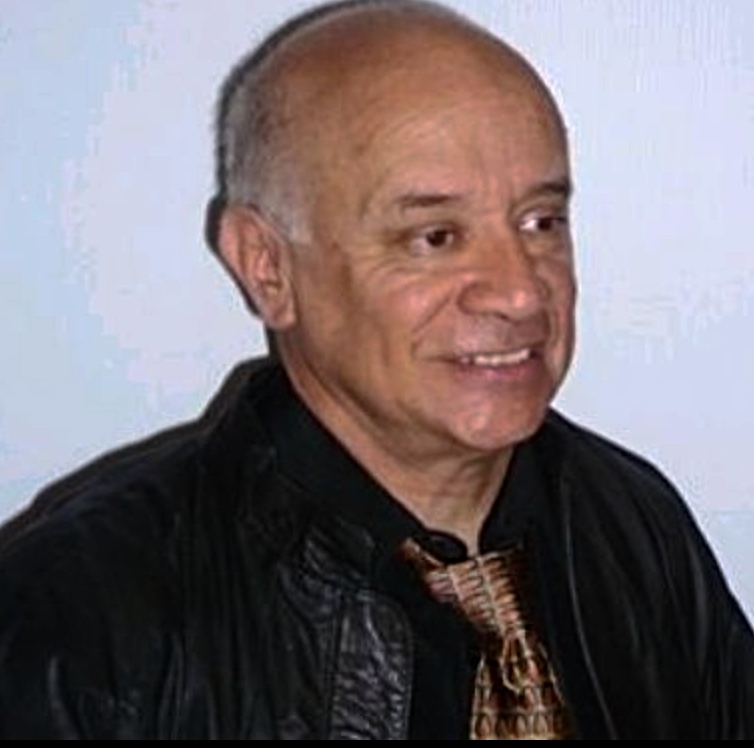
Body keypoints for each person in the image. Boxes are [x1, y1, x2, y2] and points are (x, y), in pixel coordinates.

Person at [0, 0, 752, 739]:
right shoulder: (79, 623)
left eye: (541, 221)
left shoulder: (631, 523)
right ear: (267, 268)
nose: (522, 291)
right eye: (435, 237)